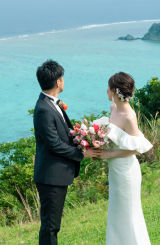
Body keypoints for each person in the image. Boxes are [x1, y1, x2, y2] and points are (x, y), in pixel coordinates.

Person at [33, 59, 101, 245]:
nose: (63, 81)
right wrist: (81, 154)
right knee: (50, 226)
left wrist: (84, 141)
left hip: (56, 175)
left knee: (53, 225)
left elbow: (64, 135)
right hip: (50, 176)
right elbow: (53, 143)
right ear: (58, 82)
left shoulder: (52, 104)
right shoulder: (43, 109)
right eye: (62, 78)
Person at [95, 72, 153, 245]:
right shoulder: (114, 109)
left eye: (108, 88)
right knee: (117, 214)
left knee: (129, 214)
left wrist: (109, 154)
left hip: (126, 172)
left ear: (113, 91)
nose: (106, 91)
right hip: (115, 171)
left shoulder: (129, 116)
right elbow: (117, 138)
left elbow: (135, 148)